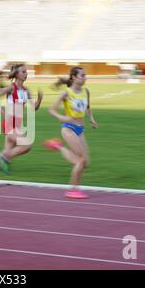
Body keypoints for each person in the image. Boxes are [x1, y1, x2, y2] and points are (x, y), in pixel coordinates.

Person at [0, 64, 43, 186]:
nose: (26, 74)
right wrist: (2, 112)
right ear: (17, 74)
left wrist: (39, 99)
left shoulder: (26, 91)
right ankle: (2, 156)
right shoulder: (11, 88)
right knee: (27, 144)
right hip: (9, 124)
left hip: (17, 125)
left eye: (26, 72)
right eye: (23, 72)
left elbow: (34, 108)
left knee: (7, 152)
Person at [46, 67, 98, 199]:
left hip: (80, 129)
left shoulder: (86, 91)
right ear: (74, 77)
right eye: (82, 75)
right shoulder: (66, 92)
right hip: (68, 128)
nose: (85, 78)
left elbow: (88, 107)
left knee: (85, 162)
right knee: (81, 160)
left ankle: (58, 146)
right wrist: (62, 118)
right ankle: (73, 189)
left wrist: (92, 120)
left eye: (85, 75)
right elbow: (51, 109)